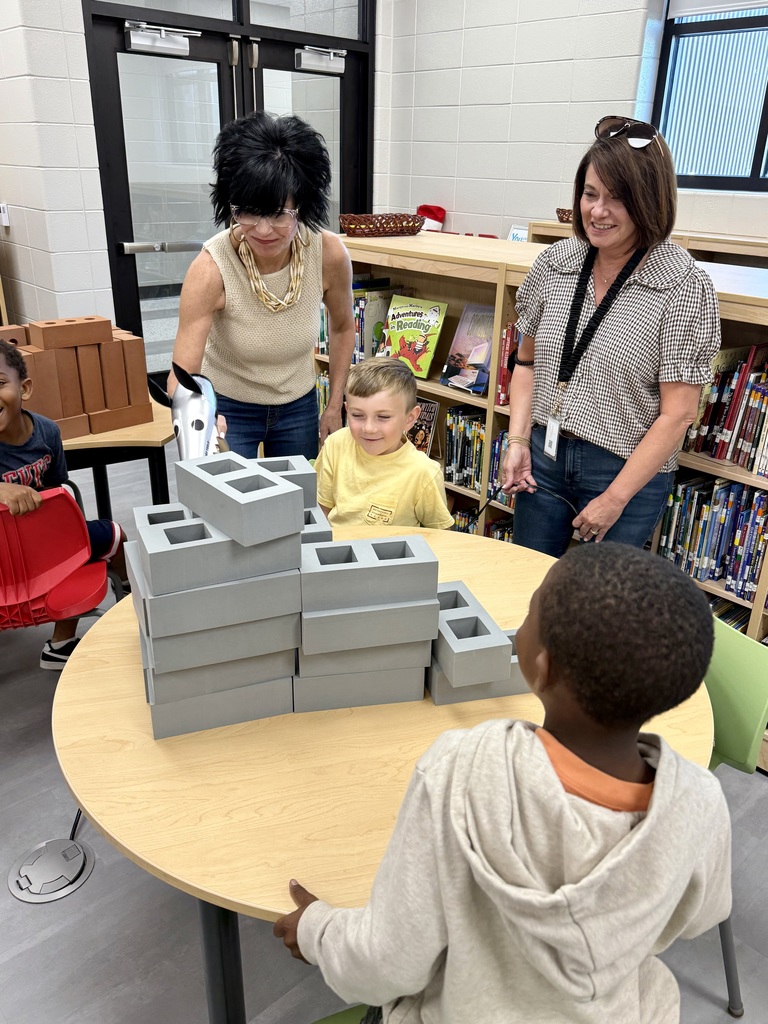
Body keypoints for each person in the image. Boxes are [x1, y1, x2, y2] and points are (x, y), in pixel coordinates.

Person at [273, 542, 731, 1024]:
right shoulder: (700, 802)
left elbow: (388, 963)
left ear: (542, 665)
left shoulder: (461, 770)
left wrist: (317, 931)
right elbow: (703, 912)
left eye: (532, 610)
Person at [502, 116, 721, 558]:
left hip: (622, 471)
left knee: (597, 611)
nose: (597, 212)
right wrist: (519, 441)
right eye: (589, 194)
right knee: (528, 586)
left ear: (649, 201)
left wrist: (615, 498)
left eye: (617, 199)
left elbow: (677, 415)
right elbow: (525, 363)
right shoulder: (556, 262)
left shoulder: (682, 284)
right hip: (544, 456)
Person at [168, 110, 355, 460]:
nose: (263, 229)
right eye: (248, 212)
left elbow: (344, 328)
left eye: (278, 214)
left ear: (302, 204)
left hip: (297, 403)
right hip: (229, 408)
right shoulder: (211, 268)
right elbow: (182, 373)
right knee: (224, 503)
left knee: (297, 503)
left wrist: (334, 405)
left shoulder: (327, 253)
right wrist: (202, 418)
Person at [0, 340, 128, 670]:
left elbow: (57, 491)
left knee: (113, 535)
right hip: (3, 561)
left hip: (43, 547)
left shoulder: (47, 432)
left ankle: (72, 637)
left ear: (24, 388)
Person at [314, 359, 454, 530]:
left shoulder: (423, 472)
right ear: (347, 410)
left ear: (410, 418)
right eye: (357, 415)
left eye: (383, 417)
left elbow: (442, 536)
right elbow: (322, 512)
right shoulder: (335, 445)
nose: (369, 428)